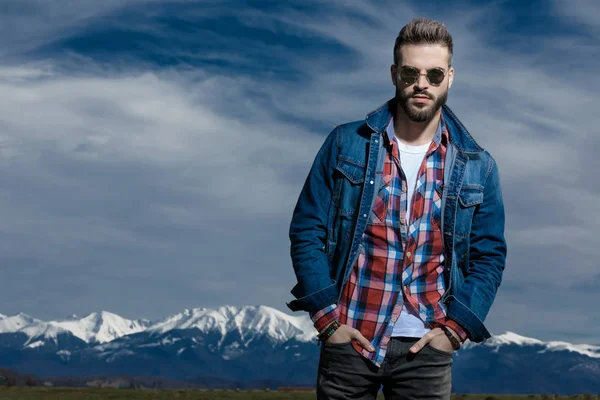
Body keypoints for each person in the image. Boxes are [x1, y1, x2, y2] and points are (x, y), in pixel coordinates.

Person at [286, 17, 507, 399]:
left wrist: (454, 331)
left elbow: (489, 256)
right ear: (394, 74)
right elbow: (307, 230)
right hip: (350, 338)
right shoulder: (345, 144)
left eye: (434, 74)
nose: (422, 84)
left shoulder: (478, 166)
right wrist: (327, 320)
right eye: (411, 72)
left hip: (427, 346)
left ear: (450, 77)